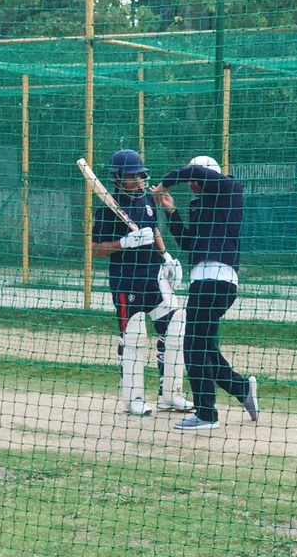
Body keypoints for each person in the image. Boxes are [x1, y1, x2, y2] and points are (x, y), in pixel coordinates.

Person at [151, 155, 259, 430]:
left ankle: (207, 414)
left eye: (195, 181)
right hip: (204, 282)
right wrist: (171, 211)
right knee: (205, 347)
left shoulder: (229, 190)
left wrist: (164, 183)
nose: (192, 185)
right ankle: (241, 388)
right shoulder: (201, 206)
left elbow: (194, 171)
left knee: (193, 346)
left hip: (217, 280)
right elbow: (189, 243)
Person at [92, 149, 193, 416]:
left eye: (140, 175)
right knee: (134, 335)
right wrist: (123, 244)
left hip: (154, 277)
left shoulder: (148, 199)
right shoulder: (107, 208)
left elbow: (153, 229)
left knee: (175, 326)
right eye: (131, 177)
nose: (138, 181)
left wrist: (166, 256)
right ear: (117, 178)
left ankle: (171, 395)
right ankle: (134, 398)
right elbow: (94, 248)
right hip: (127, 282)